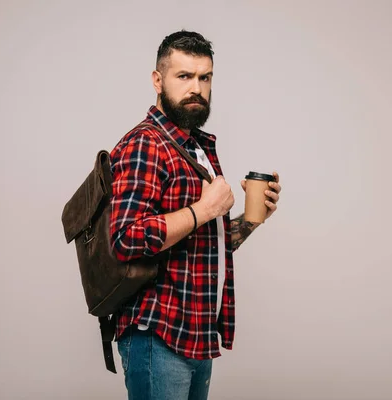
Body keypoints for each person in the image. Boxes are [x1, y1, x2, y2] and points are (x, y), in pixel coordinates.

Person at [109, 30, 282, 400]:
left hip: (196, 333)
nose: (197, 88)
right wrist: (204, 209)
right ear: (158, 80)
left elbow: (206, 244)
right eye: (184, 76)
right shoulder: (146, 144)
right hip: (157, 334)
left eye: (205, 77)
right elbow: (125, 239)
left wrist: (252, 220)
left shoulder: (196, 146)